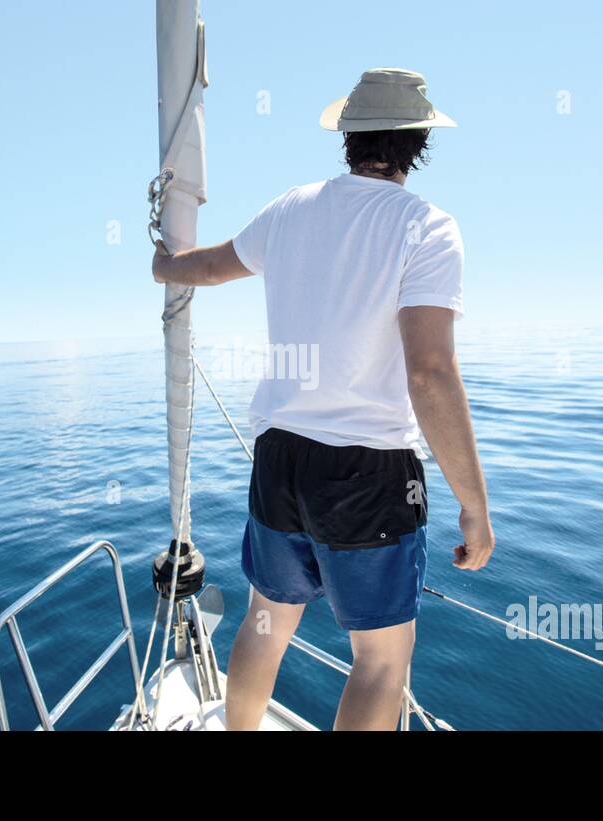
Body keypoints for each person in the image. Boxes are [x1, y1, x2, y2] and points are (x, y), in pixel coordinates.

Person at [151, 68, 495, 730]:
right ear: (419, 141)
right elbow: (429, 371)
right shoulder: (427, 227)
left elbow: (215, 265)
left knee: (263, 622)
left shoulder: (292, 208)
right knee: (379, 663)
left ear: (347, 134)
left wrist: (166, 266)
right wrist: (474, 507)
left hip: (279, 458)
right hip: (368, 470)